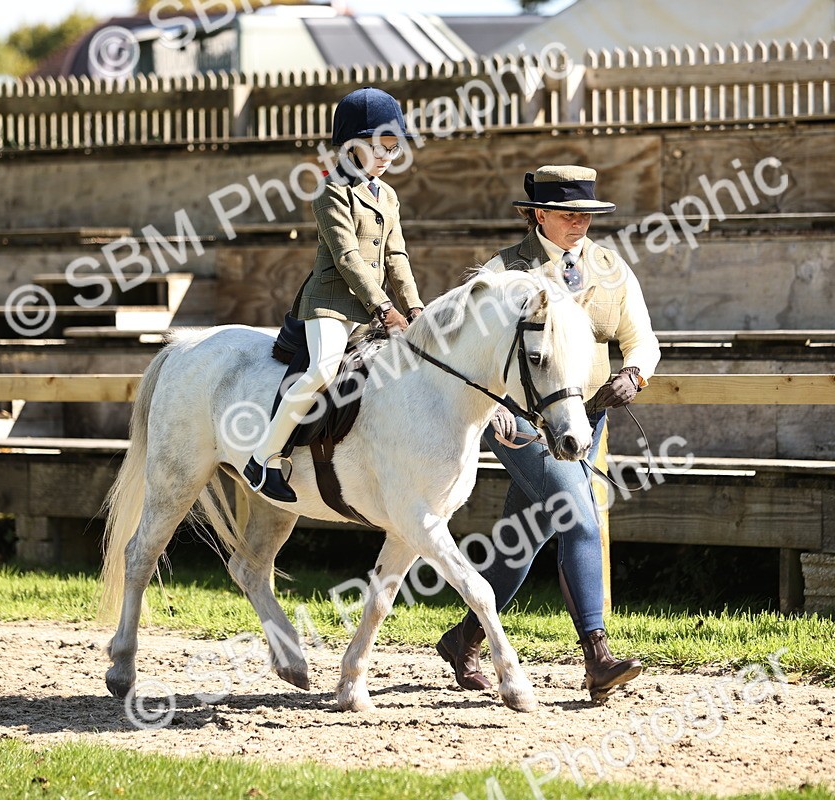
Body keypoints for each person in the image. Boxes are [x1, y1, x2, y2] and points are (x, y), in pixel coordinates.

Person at [435, 165, 661, 699]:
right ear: (539, 215)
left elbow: (642, 338)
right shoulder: (503, 271)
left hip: (585, 421)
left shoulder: (611, 268)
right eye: (568, 213)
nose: (581, 222)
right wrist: (493, 407)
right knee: (578, 518)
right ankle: (598, 657)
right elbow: (463, 349)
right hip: (524, 425)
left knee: (522, 539)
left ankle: (462, 640)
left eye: (588, 213)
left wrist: (633, 373)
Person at [243, 87, 424, 502]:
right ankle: (264, 457)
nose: (386, 157)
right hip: (331, 303)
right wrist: (384, 308)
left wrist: (413, 306)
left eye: (393, 149)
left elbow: (396, 255)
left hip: (370, 305)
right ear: (350, 145)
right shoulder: (330, 189)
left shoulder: (388, 195)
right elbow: (347, 258)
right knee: (323, 369)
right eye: (378, 146)